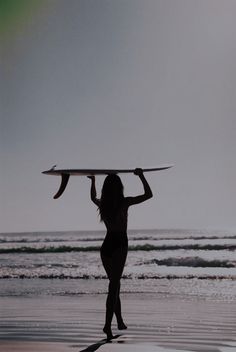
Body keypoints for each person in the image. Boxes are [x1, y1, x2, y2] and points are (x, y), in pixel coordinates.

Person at [88, 168, 153, 340]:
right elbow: (149, 195)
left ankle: (119, 321)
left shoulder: (104, 204)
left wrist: (93, 181)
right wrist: (141, 176)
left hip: (107, 245)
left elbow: (92, 197)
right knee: (114, 286)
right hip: (120, 244)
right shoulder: (124, 202)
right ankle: (107, 326)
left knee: (114, 285)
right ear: (120, 187)